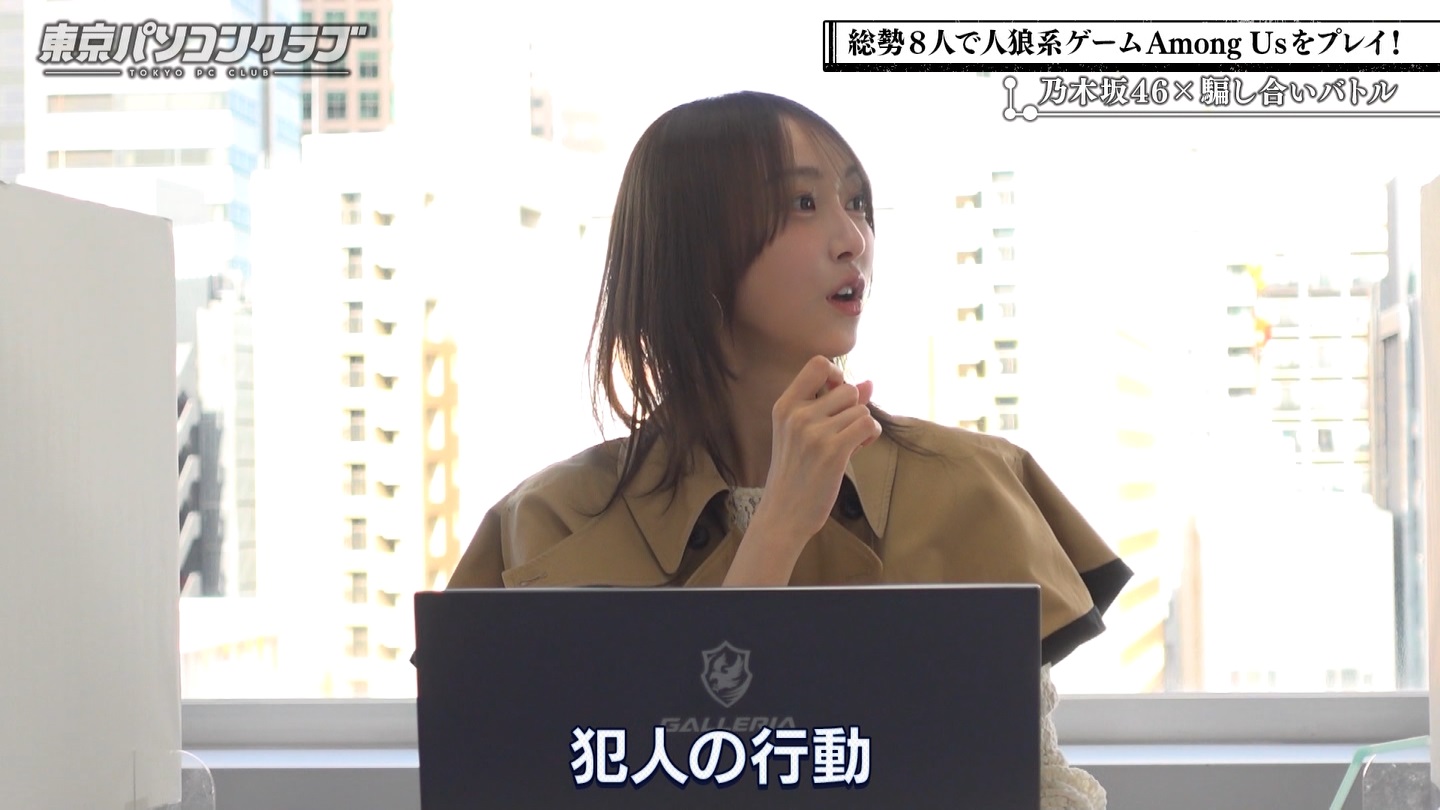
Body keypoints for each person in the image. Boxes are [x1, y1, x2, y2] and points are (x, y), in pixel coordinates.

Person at [446, 90, 1134, 809]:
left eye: (857, 203)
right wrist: (775, 531)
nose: (853, 238)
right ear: (693, 247)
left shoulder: (972, 485)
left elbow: (1032, 785)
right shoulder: (552, 524)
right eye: (804, 204)